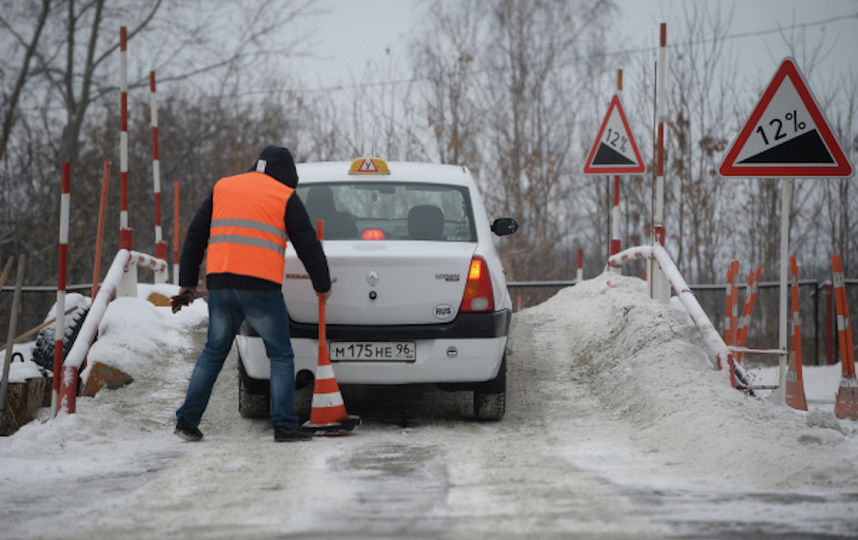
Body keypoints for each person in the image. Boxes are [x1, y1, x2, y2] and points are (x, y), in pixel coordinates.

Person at [172, 146, 331, 443]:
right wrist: (322, 284)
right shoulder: (284, 196)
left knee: (213, 353)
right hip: (261, 287)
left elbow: (196, 235)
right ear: (286, 175)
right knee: (280, 354)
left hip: (221, 284)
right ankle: (284, 424)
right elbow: (308, 244)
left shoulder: (223, 187)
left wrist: (187, 281)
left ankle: (187, 419)